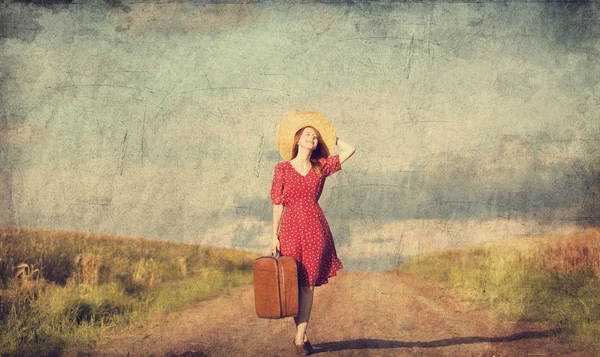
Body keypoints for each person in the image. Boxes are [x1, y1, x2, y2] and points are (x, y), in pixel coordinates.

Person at [270, 110, 356, 356]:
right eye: (308, 134)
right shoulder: (282, 169)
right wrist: (273, 235)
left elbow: (350, 150)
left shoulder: (321, 166)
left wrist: (332, 137)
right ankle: (303, 333)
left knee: (308, 285)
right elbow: (277, 204)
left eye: (316, 137)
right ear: (297, 139)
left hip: (315, 228)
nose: (312, 138)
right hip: (289, 229)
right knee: (293, 285)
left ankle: (298, 338)